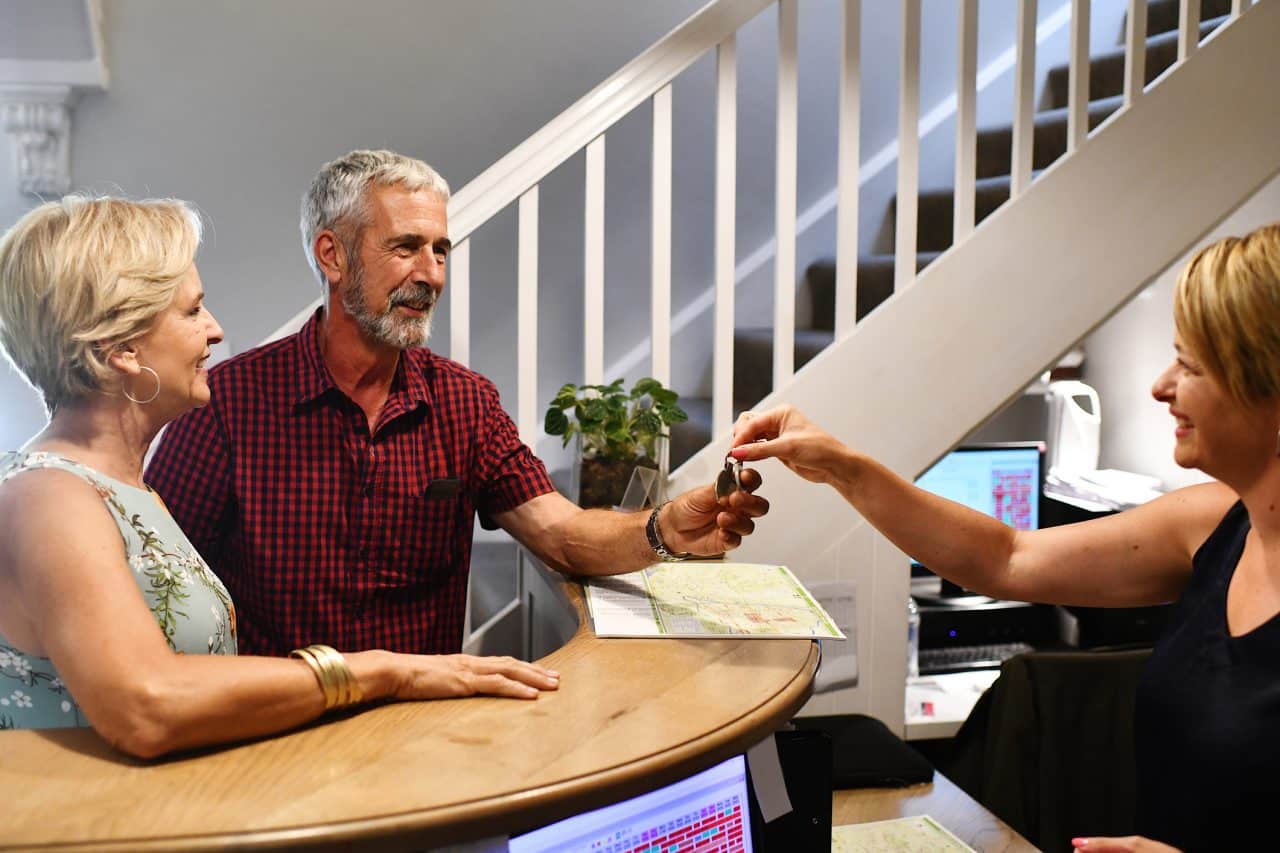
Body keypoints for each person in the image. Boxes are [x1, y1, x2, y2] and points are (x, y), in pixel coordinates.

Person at [729, 223, 1280, 853]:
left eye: (1190, 364)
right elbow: (1006, 557)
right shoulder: (1212, 524)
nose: (1161, 386)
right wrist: (841, 467)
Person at [146, 149, 766, 657]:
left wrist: (663, 530)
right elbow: (158, 595)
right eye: (405, 247)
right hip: (278, 741)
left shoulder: (465, 404)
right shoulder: (225, 406)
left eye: (441, 250)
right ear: (331, 256)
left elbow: (564, 535)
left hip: (425, 736)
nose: (433, 274)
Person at [0, 195, 560, 756]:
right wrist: (384, 673)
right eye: (193, 311)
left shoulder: (124, 486)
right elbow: (148, 705)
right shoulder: (47, 499)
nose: (216, 331)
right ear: (120, 348)